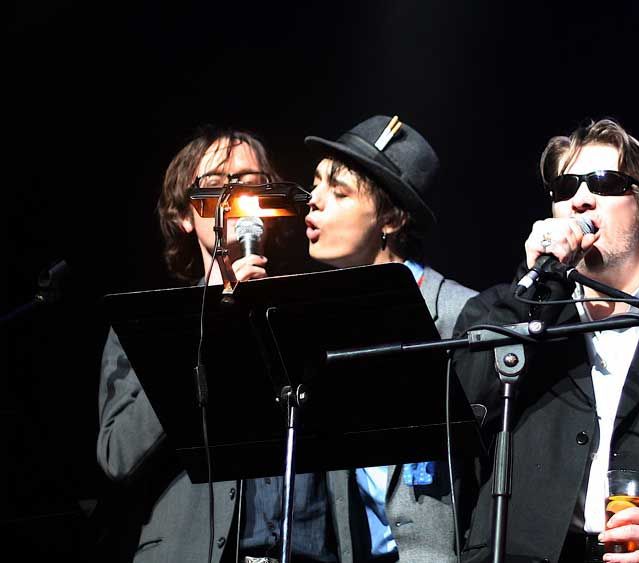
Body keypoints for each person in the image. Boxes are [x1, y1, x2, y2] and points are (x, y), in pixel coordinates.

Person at [453, 119, 639, 563]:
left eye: (604, 183)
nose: (579, 200)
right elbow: (463, 405)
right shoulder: (501, 310)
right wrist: (533, 293)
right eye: (565, 188)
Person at [96, 127, 345, 563]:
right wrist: (206, 319)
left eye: (250, 183)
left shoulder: (309, 312)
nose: (234, 198)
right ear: (184, 216)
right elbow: (118, 455)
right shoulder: (148, 326)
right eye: (214, 185)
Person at [303, 115, 477, 563]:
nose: (314, 201)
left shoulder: (460, 315)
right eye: (316, 184)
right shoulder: (315, 324)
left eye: (338, 192)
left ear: (393, 218)